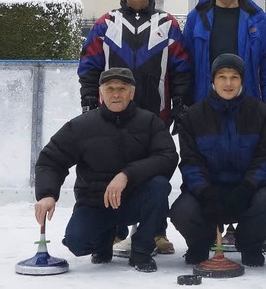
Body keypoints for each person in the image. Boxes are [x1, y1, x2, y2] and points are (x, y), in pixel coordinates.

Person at [77, 0, 191, 254]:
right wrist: (89, 99)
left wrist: (179, 101)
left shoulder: (168, 24)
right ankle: (114, 228)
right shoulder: (105, 23)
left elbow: (181, 68)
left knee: (156, 173)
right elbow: (89, 65)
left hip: (156, 115)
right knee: (110, 169)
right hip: (110, 116)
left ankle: (155, 232)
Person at [33, 68, 178, 273]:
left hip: (134, 201)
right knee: (77, 243)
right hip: (95, 204)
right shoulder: (81, 126)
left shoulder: (149, 122)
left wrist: (127, 174)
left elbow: (168, 157)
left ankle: (142, 250)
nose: (116, 94)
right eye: (110, 89)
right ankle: (108, 235)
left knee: (159, 186)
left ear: (132, 93)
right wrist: (47, 194)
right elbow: (50, 160)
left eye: (122, 88)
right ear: (101, 93)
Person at [169, 54, 266, 267]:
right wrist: (204, 191)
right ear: (213, 80)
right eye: (222, 77)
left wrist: (248, 187)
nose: (228, 83)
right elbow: (190, 162)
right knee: (182, 210)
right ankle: (200, 245)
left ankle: (250, 245)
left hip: (247, 190)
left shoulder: (261, 114)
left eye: (234, 77)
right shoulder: (194, 116)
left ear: (242, 80)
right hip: (208, 193)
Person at [183, 0, 266, 108]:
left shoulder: (258, 20)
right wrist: (185, 105)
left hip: (247, 104)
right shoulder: (196, 18)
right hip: (204, 104)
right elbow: (186, 65)